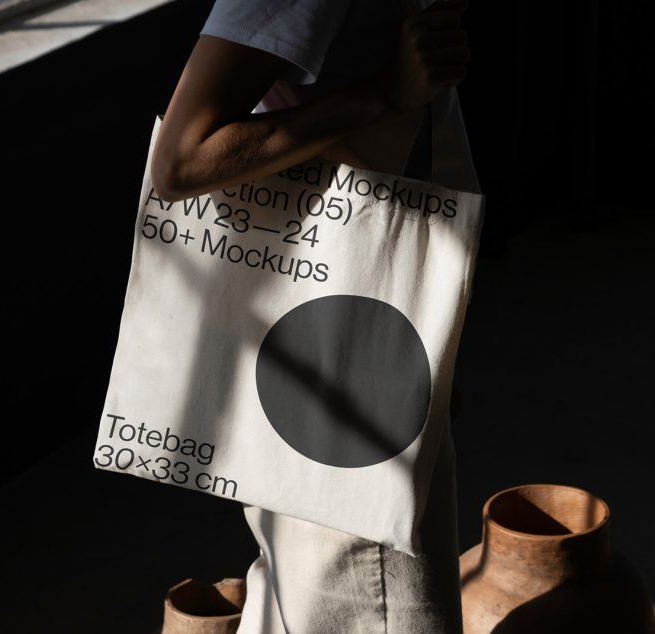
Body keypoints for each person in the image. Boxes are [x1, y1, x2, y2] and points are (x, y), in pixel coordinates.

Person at [150, 1, 480, 631]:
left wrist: (436, 331)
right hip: (341, 346)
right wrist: (382, 93)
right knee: (380, 601)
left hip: (363, 323)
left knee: (309, 596)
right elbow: (182, 160)